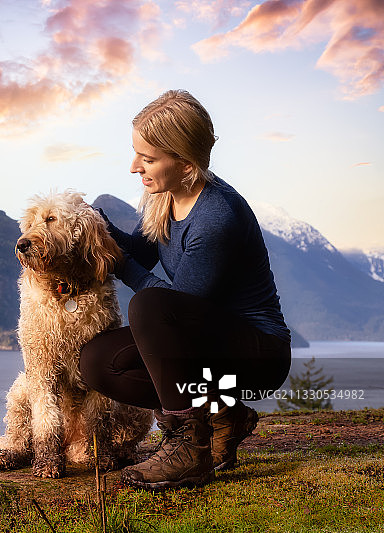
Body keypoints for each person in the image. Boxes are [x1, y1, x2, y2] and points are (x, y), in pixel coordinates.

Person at [79, 89, 292, 490]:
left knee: (149, 306)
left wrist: (121, 266)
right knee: (96, 363)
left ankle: (187, 447)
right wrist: (94, 225)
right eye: (136, 153)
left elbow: (174, 308)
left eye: (148, 158)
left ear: (184, 160)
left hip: (257, 353)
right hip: (205, 342)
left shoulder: (216, 217)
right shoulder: (166, 196)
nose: (133, 167)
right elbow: (139, 247)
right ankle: (224, 414)